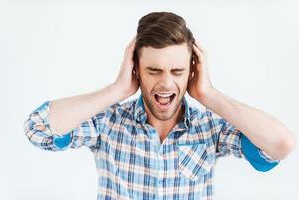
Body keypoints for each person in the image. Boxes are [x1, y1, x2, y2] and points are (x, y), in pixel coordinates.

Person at [23, 11, 296, 199]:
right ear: (136, 70)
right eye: (154, 70)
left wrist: (209, 94)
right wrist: (116, 90)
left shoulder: (210, 129)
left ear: (191, 71)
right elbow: (38, 130)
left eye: (176, 71)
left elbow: (280, 145)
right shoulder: (106, 123)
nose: (166, 83)